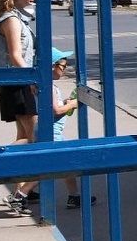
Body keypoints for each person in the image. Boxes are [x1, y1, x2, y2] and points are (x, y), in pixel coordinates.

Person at [0, 0, 39, 207]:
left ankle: (20, 189)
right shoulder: (11, 20)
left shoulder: (18, 18)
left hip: (14, 83)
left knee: (24, 138)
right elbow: (16, 56)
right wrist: (32, 81)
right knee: (38, 139)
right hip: (18, 83)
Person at [8, 48, 86, 215]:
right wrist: (71, 105)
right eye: (63, 65)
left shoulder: (41, 85)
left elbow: (52, 106)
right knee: (50, 167)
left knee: (66, 163)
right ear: (52, 66)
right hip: (51, 132)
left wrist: (64, 102)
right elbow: (55, 112)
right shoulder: (49, 87)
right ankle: (19, 196)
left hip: (50, 130)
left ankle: (75, 195)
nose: (64, 69)